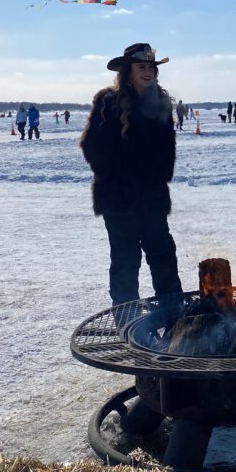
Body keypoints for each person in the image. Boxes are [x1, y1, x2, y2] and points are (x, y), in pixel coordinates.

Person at [80, 43, 183, 305]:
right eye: (141, 67)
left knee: (163, 254)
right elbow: (90, 144)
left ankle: (172, 315)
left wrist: (161, 174)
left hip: (151, 195)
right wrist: (112, 175)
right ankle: (126, 318)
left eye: (151, 67)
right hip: (118, 197)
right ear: (128, 71)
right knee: (126, 259)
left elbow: (167, 145)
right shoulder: (108, 102)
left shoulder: (160, 102)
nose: (148, 72)